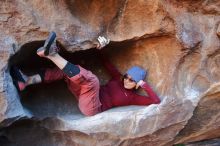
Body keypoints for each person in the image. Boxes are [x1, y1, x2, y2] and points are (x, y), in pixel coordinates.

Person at [12, 32, 160, 116]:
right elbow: (106, 63)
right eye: (127, 76)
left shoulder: (134, 98)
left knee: (92, 81)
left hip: (93, 108)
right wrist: (100, 48)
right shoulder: (117, 79)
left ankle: (51, 55)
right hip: (84, 94)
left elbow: (156, 102)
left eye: (132, 80)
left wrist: (144, 85)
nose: (127, 79)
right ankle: (26, 81)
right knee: (67, 72)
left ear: (136, 84)